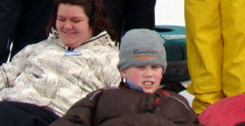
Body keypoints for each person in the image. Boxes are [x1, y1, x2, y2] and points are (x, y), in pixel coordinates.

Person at [0, 0, 120, 126]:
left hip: (55, 116)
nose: (66, 26)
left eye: (76, 20)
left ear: (93, 22)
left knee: (6, 112)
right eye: (61, 19)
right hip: (8, 108)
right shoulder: (39, 48)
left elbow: (116, 101)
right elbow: (3, 75)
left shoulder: (110, 58)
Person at [51, 28, 200, 126]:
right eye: (140, 67)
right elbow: (71, 121)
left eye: (155, 67)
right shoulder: (103, 97)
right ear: (123, 71)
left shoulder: (176, 102)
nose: (149, 73)